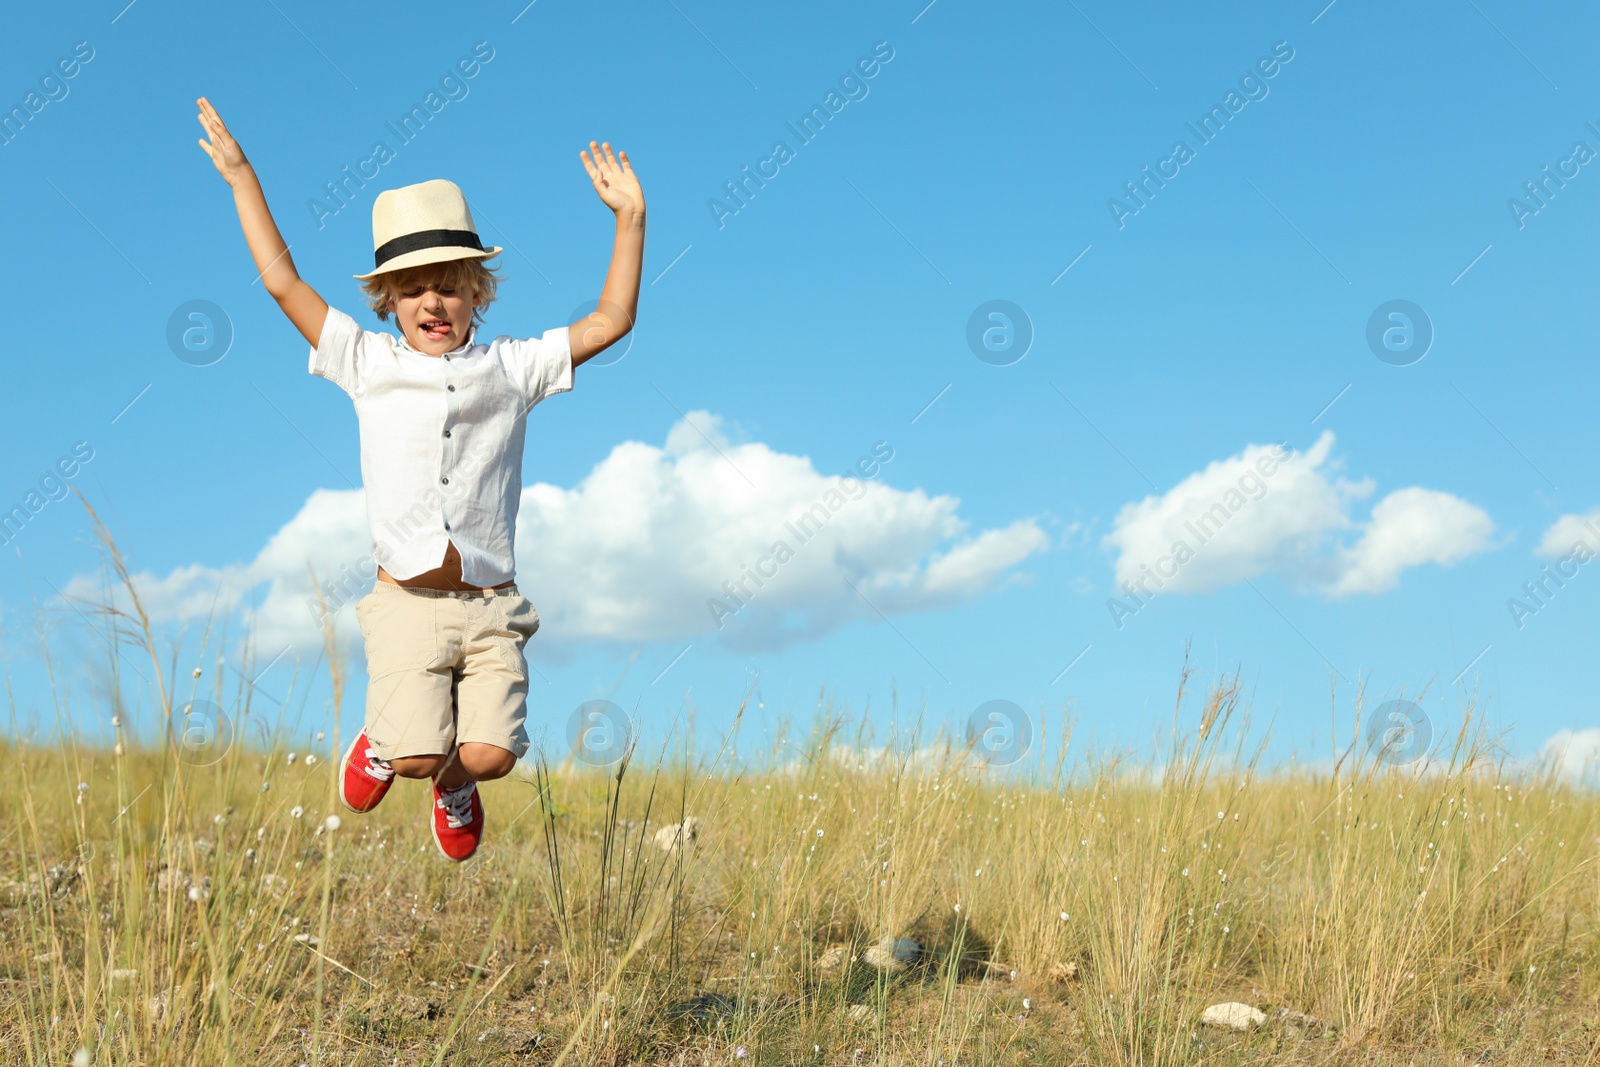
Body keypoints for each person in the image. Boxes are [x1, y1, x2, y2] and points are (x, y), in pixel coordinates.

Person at [195, 96, 645, 860]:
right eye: (412, 288)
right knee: (408, 757)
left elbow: (610, 321)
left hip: (491, 603)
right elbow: (284, 285)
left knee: (493, 755)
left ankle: (456, 784)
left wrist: (628, 221)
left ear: (477, 290)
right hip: (405, 599)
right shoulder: (368, 363)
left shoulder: (512, 367)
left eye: (449, 283)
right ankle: (384, 742)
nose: (432, 300)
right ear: (388, 300)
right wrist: (243, 179)